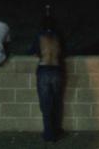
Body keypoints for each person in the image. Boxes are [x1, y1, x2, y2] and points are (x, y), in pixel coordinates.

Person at [29, 13, 64, 143]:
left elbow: (32, 51)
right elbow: (63, 52)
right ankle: (56, 131)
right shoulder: (59, 36)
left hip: (43, 70)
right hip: (56, 70)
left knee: (45, 103)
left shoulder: (39, 35)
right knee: (56, 102)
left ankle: (49, 134)